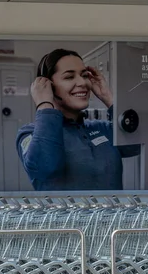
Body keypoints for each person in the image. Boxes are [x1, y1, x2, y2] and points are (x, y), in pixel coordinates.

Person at [16, 48, 141, 191]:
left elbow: (135, 147)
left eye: (84, 75)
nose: (82, 82)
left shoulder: (102, 128)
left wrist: (109, 98)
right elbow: (46, 168)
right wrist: (44, 104)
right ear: (48, 85)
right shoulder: (29, 134)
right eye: (69, 77)